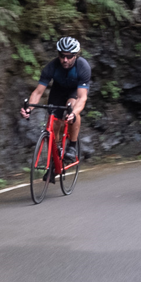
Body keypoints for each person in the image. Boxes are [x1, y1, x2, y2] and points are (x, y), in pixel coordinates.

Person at [19, 36, 90, 179]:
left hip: (74, 91)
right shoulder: (51, 66)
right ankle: (54, 160)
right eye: (62, 56)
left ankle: (72, 145)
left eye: (69, 56)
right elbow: (38, 92)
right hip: (58, 91)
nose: (65, 60)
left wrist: (74, 113)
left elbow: (82, 97)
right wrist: (29, 109)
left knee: (70, 109)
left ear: (75, 55)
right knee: (53, 123)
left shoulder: (83, 67)